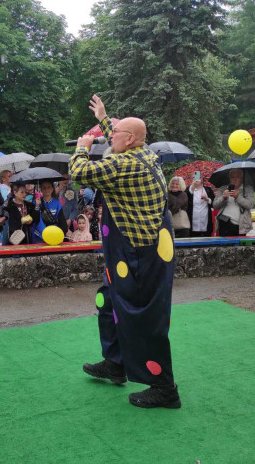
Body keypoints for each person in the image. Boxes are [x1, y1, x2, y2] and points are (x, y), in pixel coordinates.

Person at [70, 94, 179, 409]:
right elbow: (119, 138)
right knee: (108, 302)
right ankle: (115, 363)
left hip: (139, 254)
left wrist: (82, 146)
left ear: (129, 139)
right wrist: (106, 120)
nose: (109, 137)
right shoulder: (143, 150)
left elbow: (79, 172)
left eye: (115, 133)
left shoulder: (124, 163)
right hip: (131, 250)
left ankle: (164, 388)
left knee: (145, 317)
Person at [213, 169, 255, 236]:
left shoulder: (247, 189)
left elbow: (250, 205)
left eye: (237, 177)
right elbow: (215, 205)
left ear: (242, 178)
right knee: (225, 245)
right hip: (224, 223)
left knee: (239, 245)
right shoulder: (223, 189)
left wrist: (238, 197)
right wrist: (223, 197)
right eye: (232, 177)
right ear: (229, 178)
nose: (234, 179)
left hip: (241, 226)